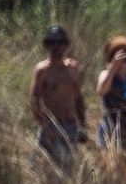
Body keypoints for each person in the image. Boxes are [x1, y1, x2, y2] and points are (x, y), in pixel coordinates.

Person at [28, 26, 87, 172]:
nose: (56, 47)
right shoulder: (42, 70)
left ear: (66, 45)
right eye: (52, 43)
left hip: (70, 125)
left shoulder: (73, 67)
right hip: (51, 125)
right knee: (44, 168)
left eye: (60, 43)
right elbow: (34, 101)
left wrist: (83, 124)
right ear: (47, 45)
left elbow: (78, 97)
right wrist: (44, 125)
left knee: (69, 168)